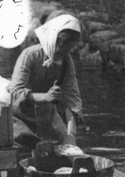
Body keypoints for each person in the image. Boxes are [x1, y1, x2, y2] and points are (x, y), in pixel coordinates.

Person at [9, 12, 84, 152]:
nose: (63, 52)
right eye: (62, 45)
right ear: (52, 38)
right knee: (22, 152)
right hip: (20, 120)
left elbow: (72, 99)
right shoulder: (29, 55)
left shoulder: (67, 61)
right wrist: (45, 97)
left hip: (47, 121)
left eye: (70, 47)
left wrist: (71, 135)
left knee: (59, 152)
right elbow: (15, 93)